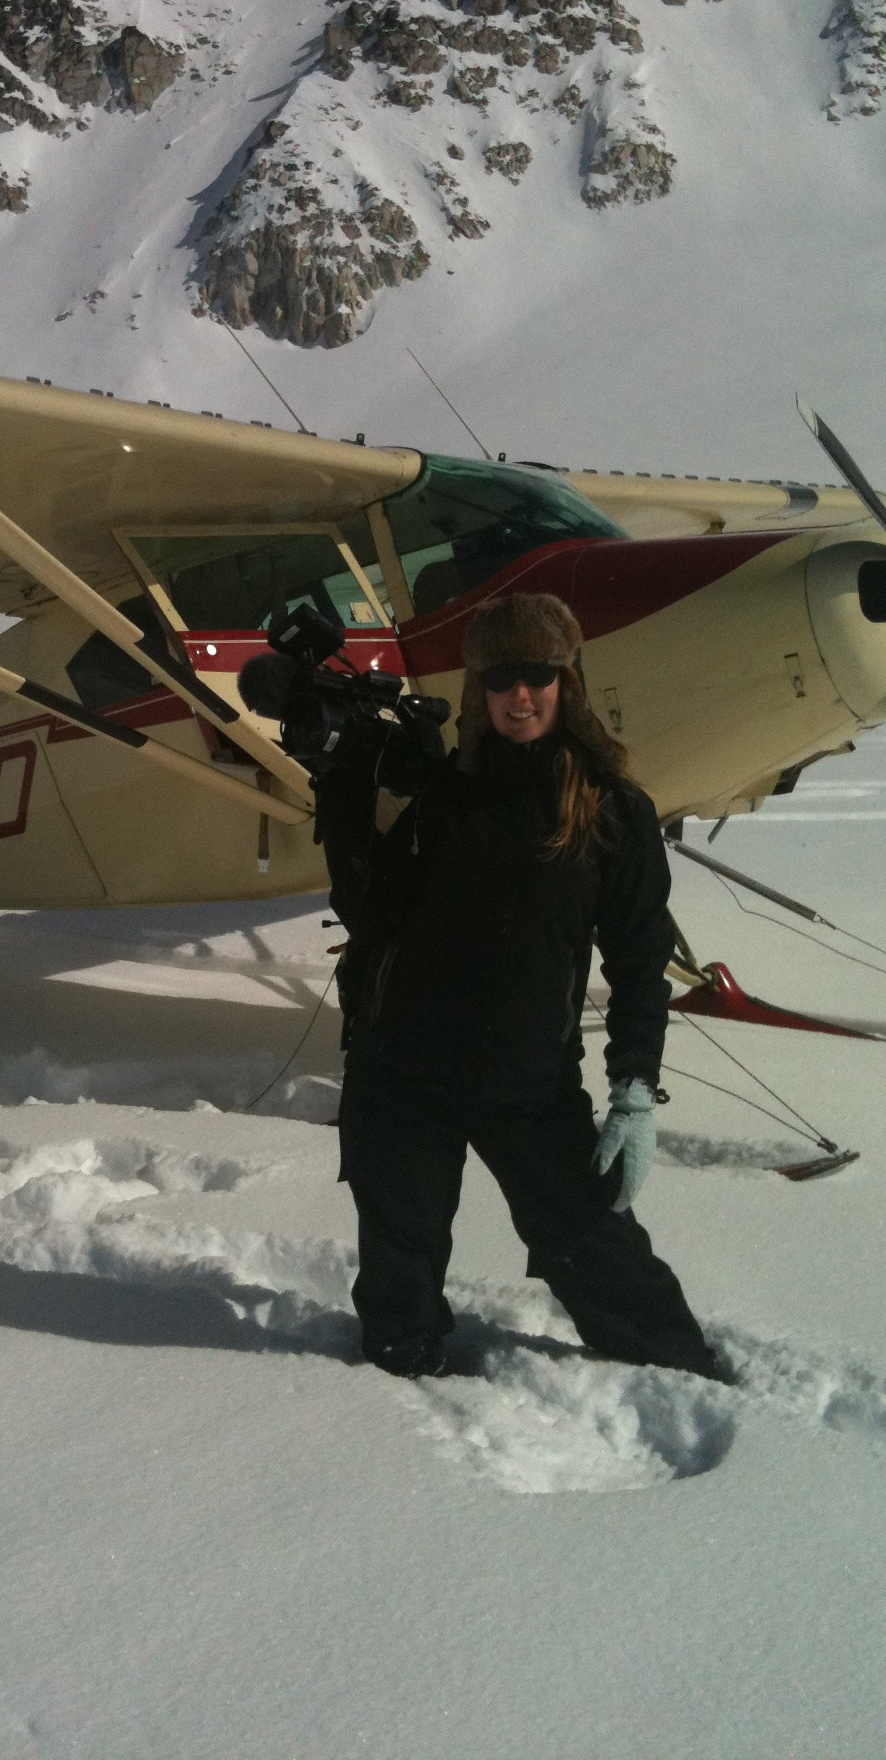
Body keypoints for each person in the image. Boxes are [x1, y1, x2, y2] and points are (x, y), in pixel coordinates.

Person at [316, 590, 722, 1382]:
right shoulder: (448, 796)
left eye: (538, 674)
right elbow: (370, 914)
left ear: (567, 680)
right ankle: (392, 1404)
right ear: (480, 691)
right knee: (401, 1266)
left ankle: (684, 1375)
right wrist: (341, 792)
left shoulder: (609, 810)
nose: (521, 695)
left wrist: (634, 1087)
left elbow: (639, 957)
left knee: (593, 1245)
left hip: (527, 1080)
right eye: (502, 679)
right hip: (404, 1069)